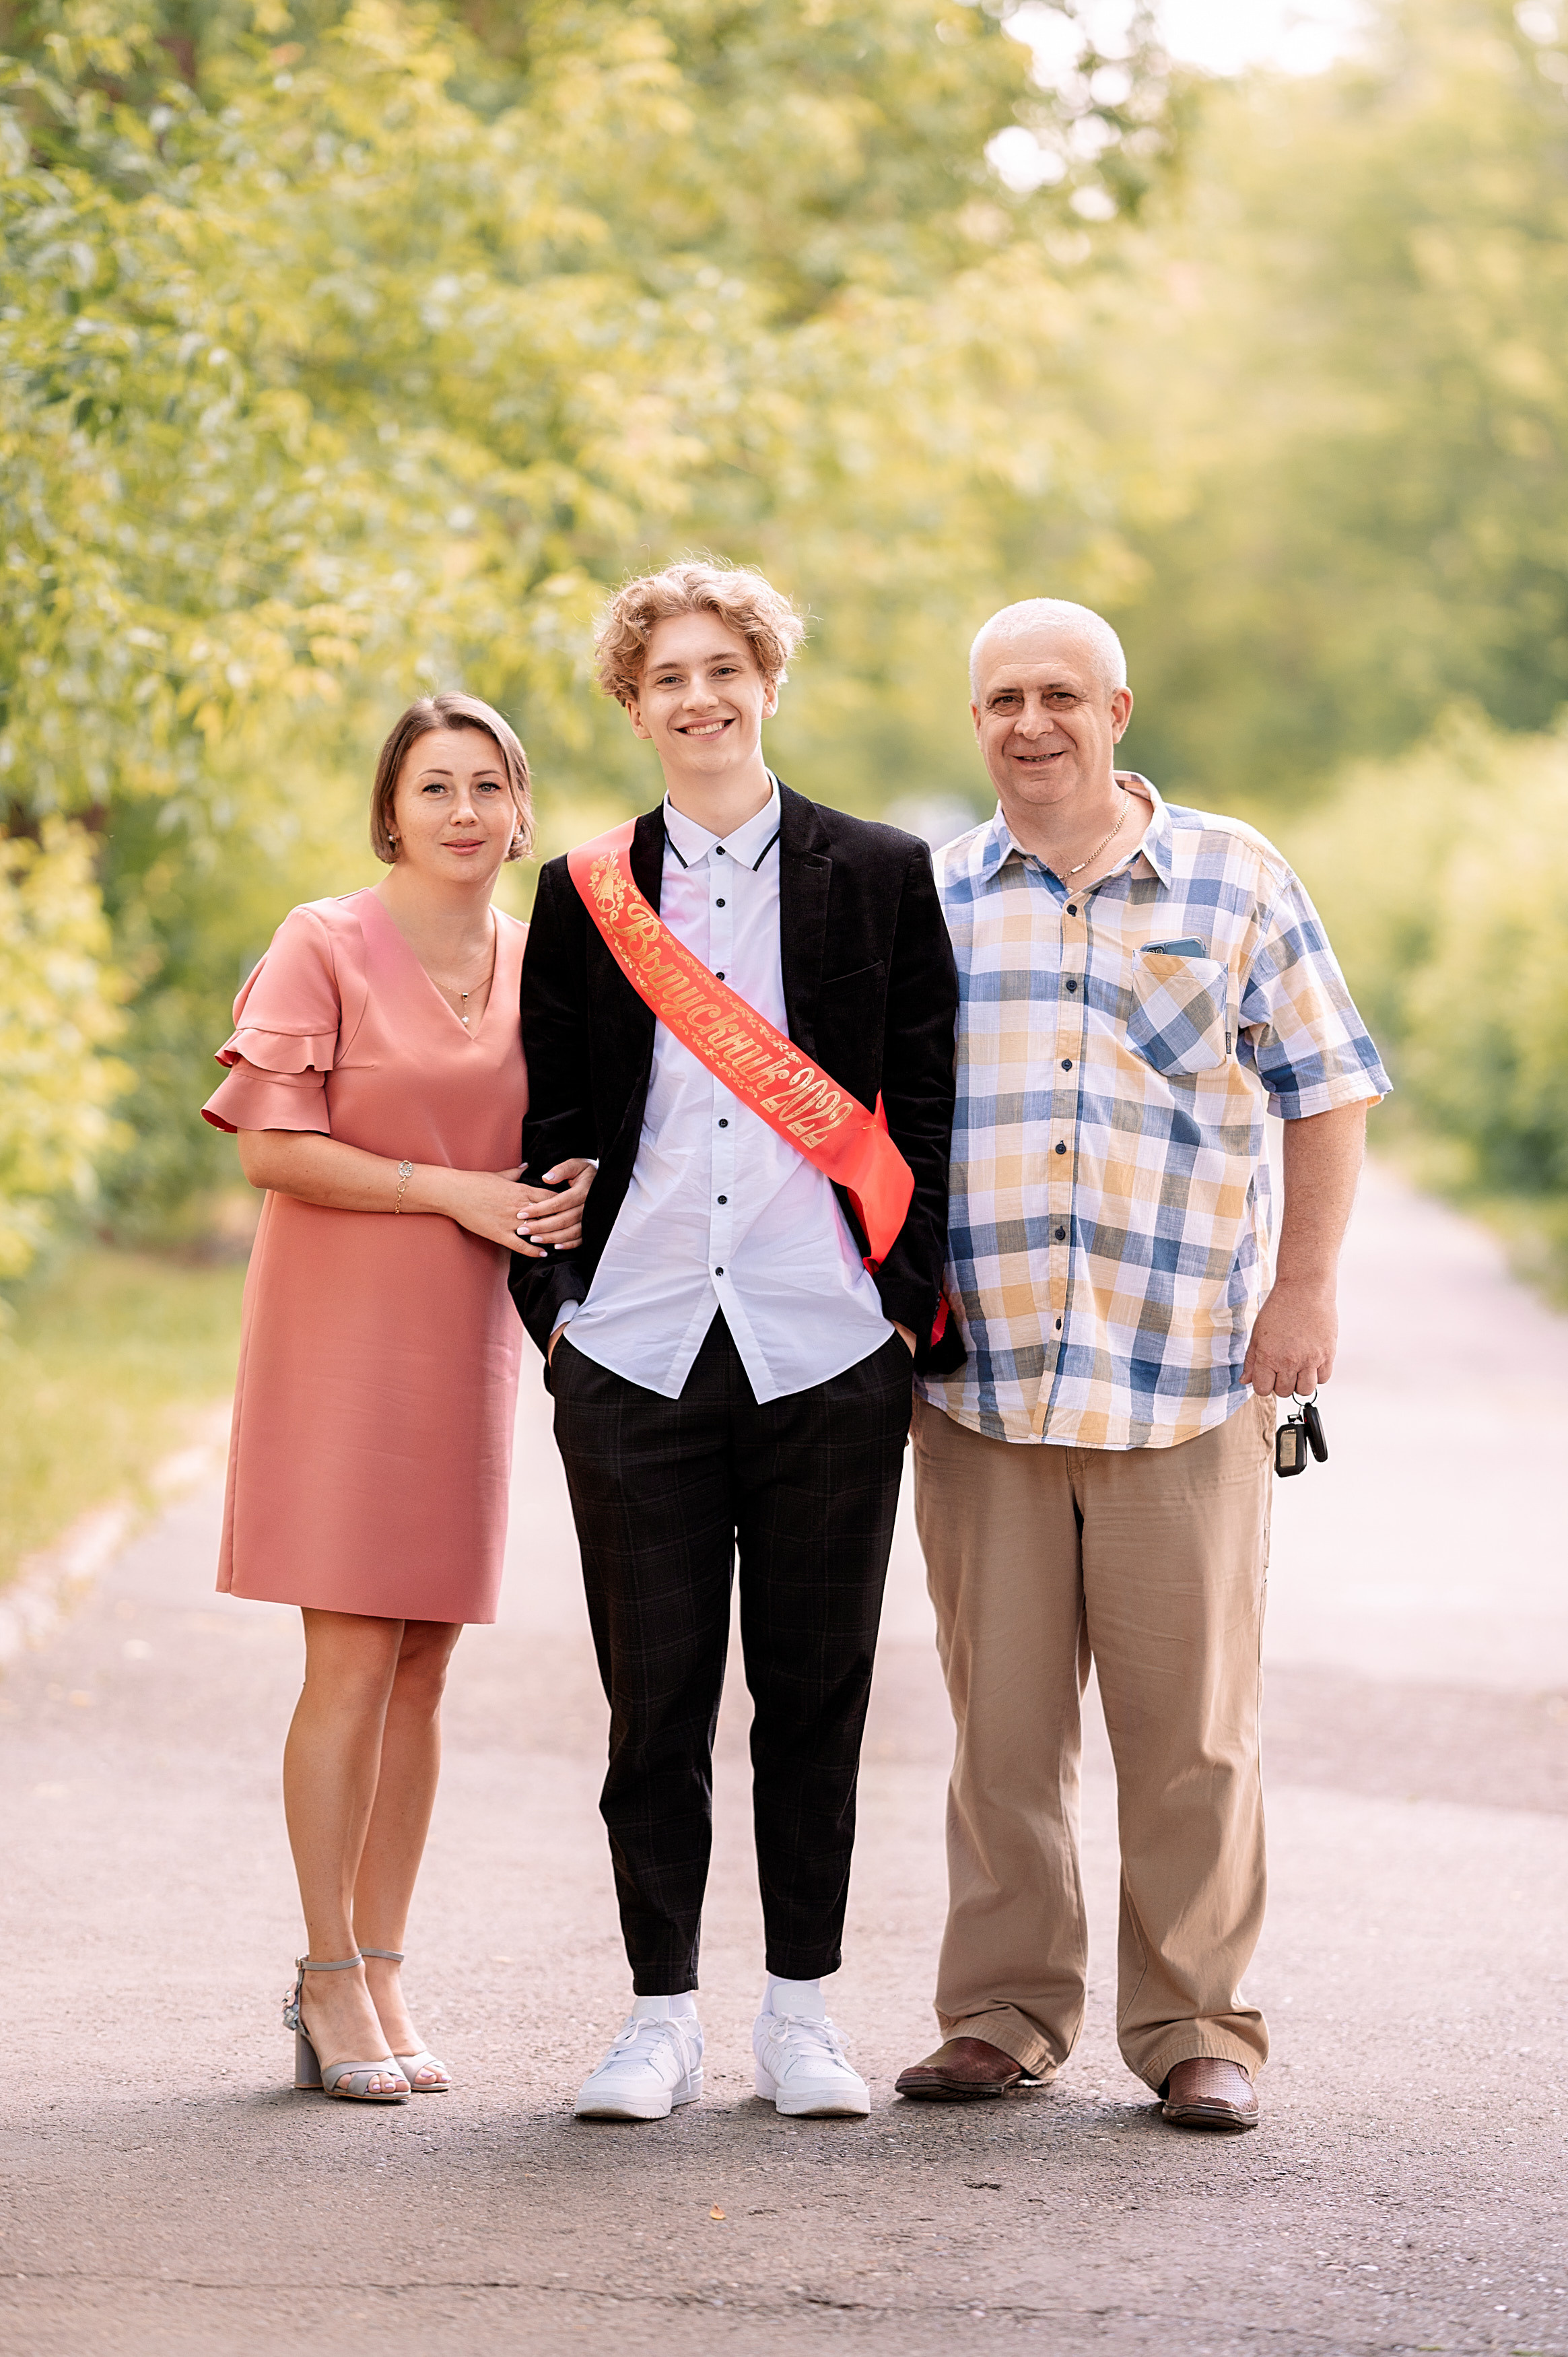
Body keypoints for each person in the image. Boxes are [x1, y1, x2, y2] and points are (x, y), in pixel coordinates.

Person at [894, 598, 1390, 2132]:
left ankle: (1195, 2029)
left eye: (1056, 694)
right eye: (998, 699)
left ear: (1119, 707)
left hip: (1179, 1379)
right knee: (1001, 1736)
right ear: (972, 720)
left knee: (1190, 1736)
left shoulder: (1237, 877)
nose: (1027, 723)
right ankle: (1000, 2014)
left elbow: (1326, 1090)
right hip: (978, 1383)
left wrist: (1301, 1290)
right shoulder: (932, 897)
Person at [512, 561, 959, 2122]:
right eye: (665, 678)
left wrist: (901, 1315)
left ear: (768, 678)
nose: (697, 697)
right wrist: (560, 1318)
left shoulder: (883, 871)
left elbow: (929, 1100)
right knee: (654, 1703)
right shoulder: (583, 894)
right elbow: (552, 1115)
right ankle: (658, 2018)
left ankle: (802, 2015)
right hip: (634, 1347)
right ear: (630, 706)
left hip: (823, 1344)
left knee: (817, 1691)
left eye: (722, 667)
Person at [203, 692, 594, 2104]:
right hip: (340, 1327)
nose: (465, 813)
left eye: (489, 786)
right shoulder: (324, 941)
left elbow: (566, 1131)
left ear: (522, 808)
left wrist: (570, 1183)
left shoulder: (539, 958)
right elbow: (272, 1149)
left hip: (466, 1333)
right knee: (353, 1652)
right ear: (391, 810)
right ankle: (320, 1976)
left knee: (428, 1658)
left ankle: (382, 1960)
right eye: (436, 786)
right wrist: (456, 1191)